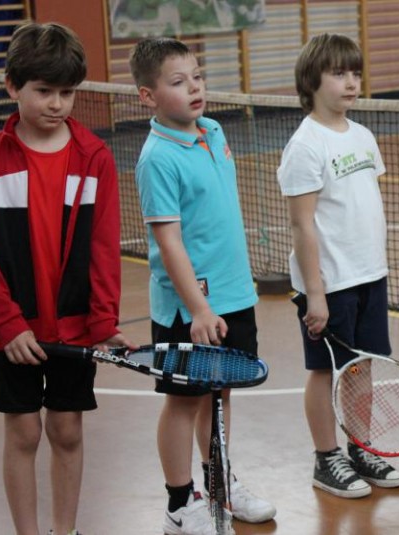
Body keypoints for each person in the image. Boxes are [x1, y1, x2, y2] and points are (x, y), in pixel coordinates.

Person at [0, 22, 132, 535]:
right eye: (44, 91)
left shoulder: (94, 158)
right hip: (12, 334)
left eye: (67, 92)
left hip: (75, 331)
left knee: (66, 430)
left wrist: (104, 319)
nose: (58, 103)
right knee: (22, 434)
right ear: (13, 87)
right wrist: (7, 324)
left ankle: (66, 530)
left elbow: (105, 247)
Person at [129, 37, 275, 535]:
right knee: (185, 399)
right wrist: (198, 309)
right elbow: (169, 243)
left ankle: (220, 485)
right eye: (177, 81)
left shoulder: (212, 130)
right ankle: (177, 502)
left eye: (197, 76)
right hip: (189, 308)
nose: (194, 87)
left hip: (235, 296)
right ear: (147, 96)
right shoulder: (156, 158)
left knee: (221, 393)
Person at [277, 33, 399, 498]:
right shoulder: (305, 146)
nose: (351, 83)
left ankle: (360, 447)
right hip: (328, 283)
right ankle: (326, 456)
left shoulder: (363, 135)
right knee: (324, 370)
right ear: (312, 81)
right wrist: (315, 292)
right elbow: (303, 226)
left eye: (355, 73)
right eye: (338, 73)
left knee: (363, 367)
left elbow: (366, 203)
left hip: (370, 274)